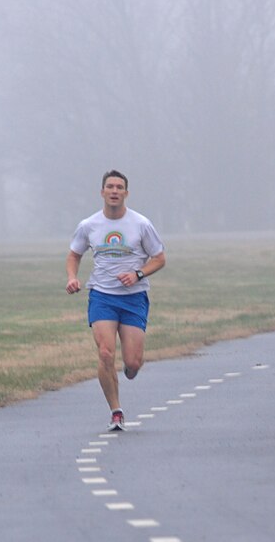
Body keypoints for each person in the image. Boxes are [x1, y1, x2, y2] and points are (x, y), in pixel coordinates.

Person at [66, 170, 166, 431]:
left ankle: (129, 371)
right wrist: (72, 277)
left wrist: (137, 273)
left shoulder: (141, 224)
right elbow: (74, 254)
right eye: (109, 186)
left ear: (126, 193)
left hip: (134, 298)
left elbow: (159, 258)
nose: (114, 191)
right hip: (102, 296)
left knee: (132, 364)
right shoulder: (89, 225)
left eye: (119, 187)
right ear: (102, 192)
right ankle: (116, 411)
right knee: (106, 353)